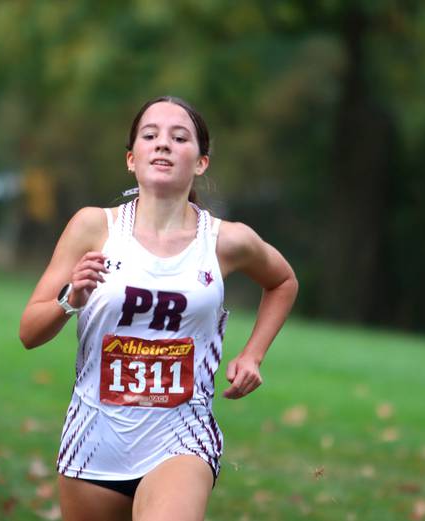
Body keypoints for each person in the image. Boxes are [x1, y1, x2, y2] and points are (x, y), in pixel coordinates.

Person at [19, 96, 298, 521]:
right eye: (150, 136)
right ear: (132, 159)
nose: (163, 144)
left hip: (181, 439)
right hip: (95, 441)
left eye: (179, 137)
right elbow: (29, 332)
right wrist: (69, 299)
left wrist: (253, 354)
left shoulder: (225, 241)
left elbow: (282, 281)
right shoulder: (94, 227)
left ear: (201, 162)